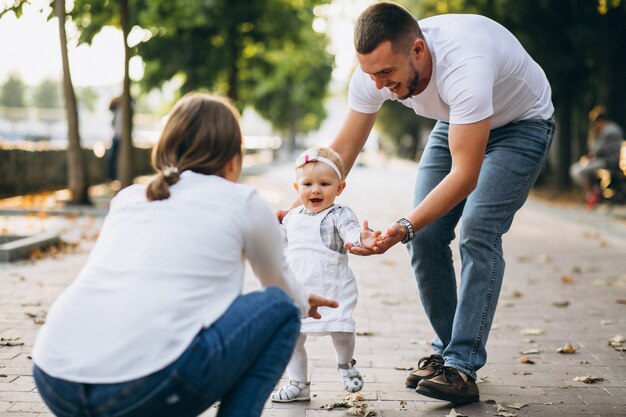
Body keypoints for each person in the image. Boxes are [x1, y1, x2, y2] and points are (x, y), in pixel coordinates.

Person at [31, 92, 338, 417]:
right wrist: (303, 301)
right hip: (143, 384)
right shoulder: (245, 202)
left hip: (54, 375)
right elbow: (285, 295)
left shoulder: (128, 197)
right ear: (234, 158)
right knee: (280, 309)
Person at [328, 2, 555, 404]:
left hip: (522, 125)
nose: (380, 85)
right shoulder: (372, 75)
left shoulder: (465, 63)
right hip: (458, 121)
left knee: (478, 230)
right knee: (425, 237)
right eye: (370, 74)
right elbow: (343, 152)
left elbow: (464, 177)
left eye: (387, 74)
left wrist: (401, 226)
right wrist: (305, 203)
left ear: (417, 50)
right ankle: (448, 354)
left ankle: (462, 365)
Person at [270, 147, 380, 403]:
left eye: (324, 184)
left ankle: (345, 365)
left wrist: (363, 237)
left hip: (333, 287)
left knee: (340, 329)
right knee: (293, 338)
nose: (315, 190)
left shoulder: (339, 215)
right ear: (297, 186)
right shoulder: (291, 217)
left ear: (340, 188)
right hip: (299, 288)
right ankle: (299, 383)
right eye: (307, 184)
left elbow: (352, 232)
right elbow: (279, 242)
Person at [569, 105, 624, 209]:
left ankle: (592, 193)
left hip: (607, 162)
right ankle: (592, 192)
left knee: (577, 170)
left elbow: (597, 150)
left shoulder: (609, 131)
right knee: (578, 169)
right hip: (603, 161)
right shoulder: (608, 129)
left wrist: (593, 134)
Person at [106, 96, 122, 181]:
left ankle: (112, 176)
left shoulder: (122, 111)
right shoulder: (118, 111)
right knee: (111, 157)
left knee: (112, 157)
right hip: (116, 136)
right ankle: (111, 176)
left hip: (119, 137)